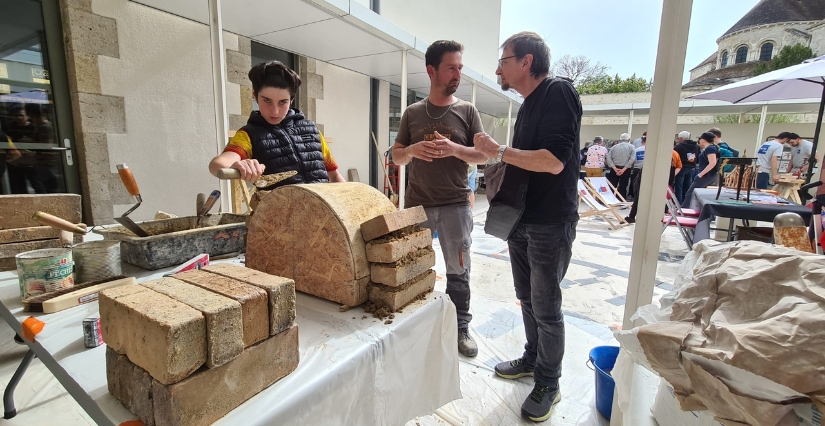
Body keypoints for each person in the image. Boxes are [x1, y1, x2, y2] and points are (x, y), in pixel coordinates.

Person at [473, 31, 581, 422]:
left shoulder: (558, 93)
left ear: (526, 62)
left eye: (503, 59)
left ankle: (549, 382)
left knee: (547, 307)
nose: (498, 68)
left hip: (550, 222)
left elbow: (553, 161)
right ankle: (534, 359)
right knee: (528, 299)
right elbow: (521, 160)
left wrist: (498, 151)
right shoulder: (529, 103)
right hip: (523, 219)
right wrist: (492, 154)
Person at [392, 40, 488, 358]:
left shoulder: (467, 111)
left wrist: (455, 149)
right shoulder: (413, 113)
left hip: (456, 206)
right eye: (452, 68)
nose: (457, 74)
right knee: (412, 269)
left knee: (459, 270)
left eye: (460, 68)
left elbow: (484, 156)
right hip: (417, 205)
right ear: (432, 70)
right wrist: (411, 150)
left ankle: (460, 327)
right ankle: (414, 324)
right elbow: (396, 156)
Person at [208, 60, 345, 187]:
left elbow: (334, 176)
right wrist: (238, 165)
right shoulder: (248, 135)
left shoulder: (312, 130)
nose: (275, 111)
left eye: (282, 102)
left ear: (291, 99)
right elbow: (217, 164)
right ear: (255, 95)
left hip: (321, 210)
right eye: (267, 100)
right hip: (278, 212)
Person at [681, 132, 719, 208]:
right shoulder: (714, 148)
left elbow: (712, 162)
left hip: (705, 176)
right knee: (702, 195)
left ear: (704, 140)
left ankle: (684, 211)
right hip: (711, 176)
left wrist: (701, 174)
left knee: (690, 194)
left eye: (700, 139)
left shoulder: (710, 148)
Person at [673, 131, 700, 203]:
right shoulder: (696, 146)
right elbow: (698, 157)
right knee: (687, 187)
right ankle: (686, 202)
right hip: (691, 168)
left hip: (681, 168)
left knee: (679, 187)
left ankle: (678, 203)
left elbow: (675, 158)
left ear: (681, 138)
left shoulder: (679, 147)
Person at [605, 133, 635, 199]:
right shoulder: (632, 147)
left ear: (620, 140)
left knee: (612, 185)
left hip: (614, 168)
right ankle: (621, 200)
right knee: (623, 186)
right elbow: (632, 159)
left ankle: (610, 199)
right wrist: (624, 169)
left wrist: (614, 168)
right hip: (626, 169)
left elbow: (608, 157)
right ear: (629, 139)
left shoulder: (613, 147)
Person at [628, 135, 645, 199]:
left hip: (637, 169)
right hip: (646, 170)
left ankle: (632, 196)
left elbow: (632, 160)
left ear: (641, 142)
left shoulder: (637, 150)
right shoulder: (651, 150)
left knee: (634, 183)